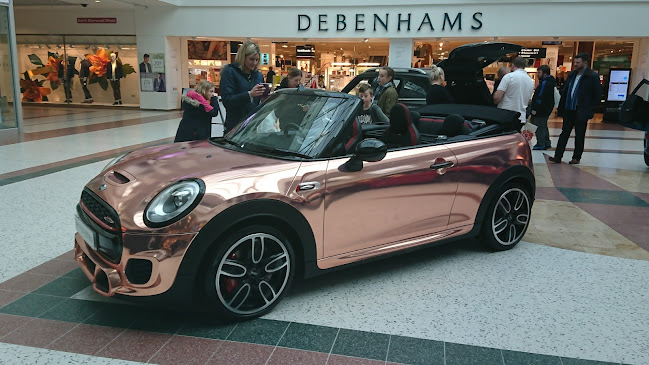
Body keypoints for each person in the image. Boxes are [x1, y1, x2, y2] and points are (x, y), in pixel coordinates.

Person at [549, 53, 601, 165]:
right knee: (564, 133)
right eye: (575, 63)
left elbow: (597, 95)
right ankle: (558, 156)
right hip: (569, 109)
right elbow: (566, 91)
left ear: (585, 63)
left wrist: (590, 110)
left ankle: (576, 157)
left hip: (582, 110)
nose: (576, 65)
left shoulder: (592, 76)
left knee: (580, 134)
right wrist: (561, 108)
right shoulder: (572, 75)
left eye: (578, 63)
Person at [219, 40, 265, 133]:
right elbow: (227, 100)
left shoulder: (258, 75)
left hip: (253, 126)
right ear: (243, 57)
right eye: (251, 59)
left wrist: (265, 98)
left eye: (257, 60)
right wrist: (249, 95)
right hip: (235, 126)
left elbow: (259, 102)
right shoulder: (230, 72)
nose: (254, 63)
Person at [493, 57, 534, 124]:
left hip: (506, 116)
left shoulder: (509, 77)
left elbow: (497, 97)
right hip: (521, 118)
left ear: (512, 65)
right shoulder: (530, 81)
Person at [529, 65, 556, 150]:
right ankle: (546, 142)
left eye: (539, 73)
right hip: (546, 108)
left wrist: (535, 109)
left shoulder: (545, 83)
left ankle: (541, 143)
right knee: (543, 125)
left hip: (541, 109)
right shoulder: (550, 82)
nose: (538, 74)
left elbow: (540, 97)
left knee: (539, 125)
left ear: (545, 73)